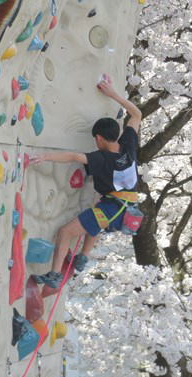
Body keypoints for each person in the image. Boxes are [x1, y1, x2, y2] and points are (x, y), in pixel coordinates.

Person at [31, 74, 142, 288]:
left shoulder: (102, 158)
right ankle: (83, 256)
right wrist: (113, 94)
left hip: (114, 209)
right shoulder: (128, 144)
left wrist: (44, 156)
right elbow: (136, 114)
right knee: (95, 214)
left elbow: (74, 156)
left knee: (66, 232)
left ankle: (54, 276)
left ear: (98, 138)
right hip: (126, 209)